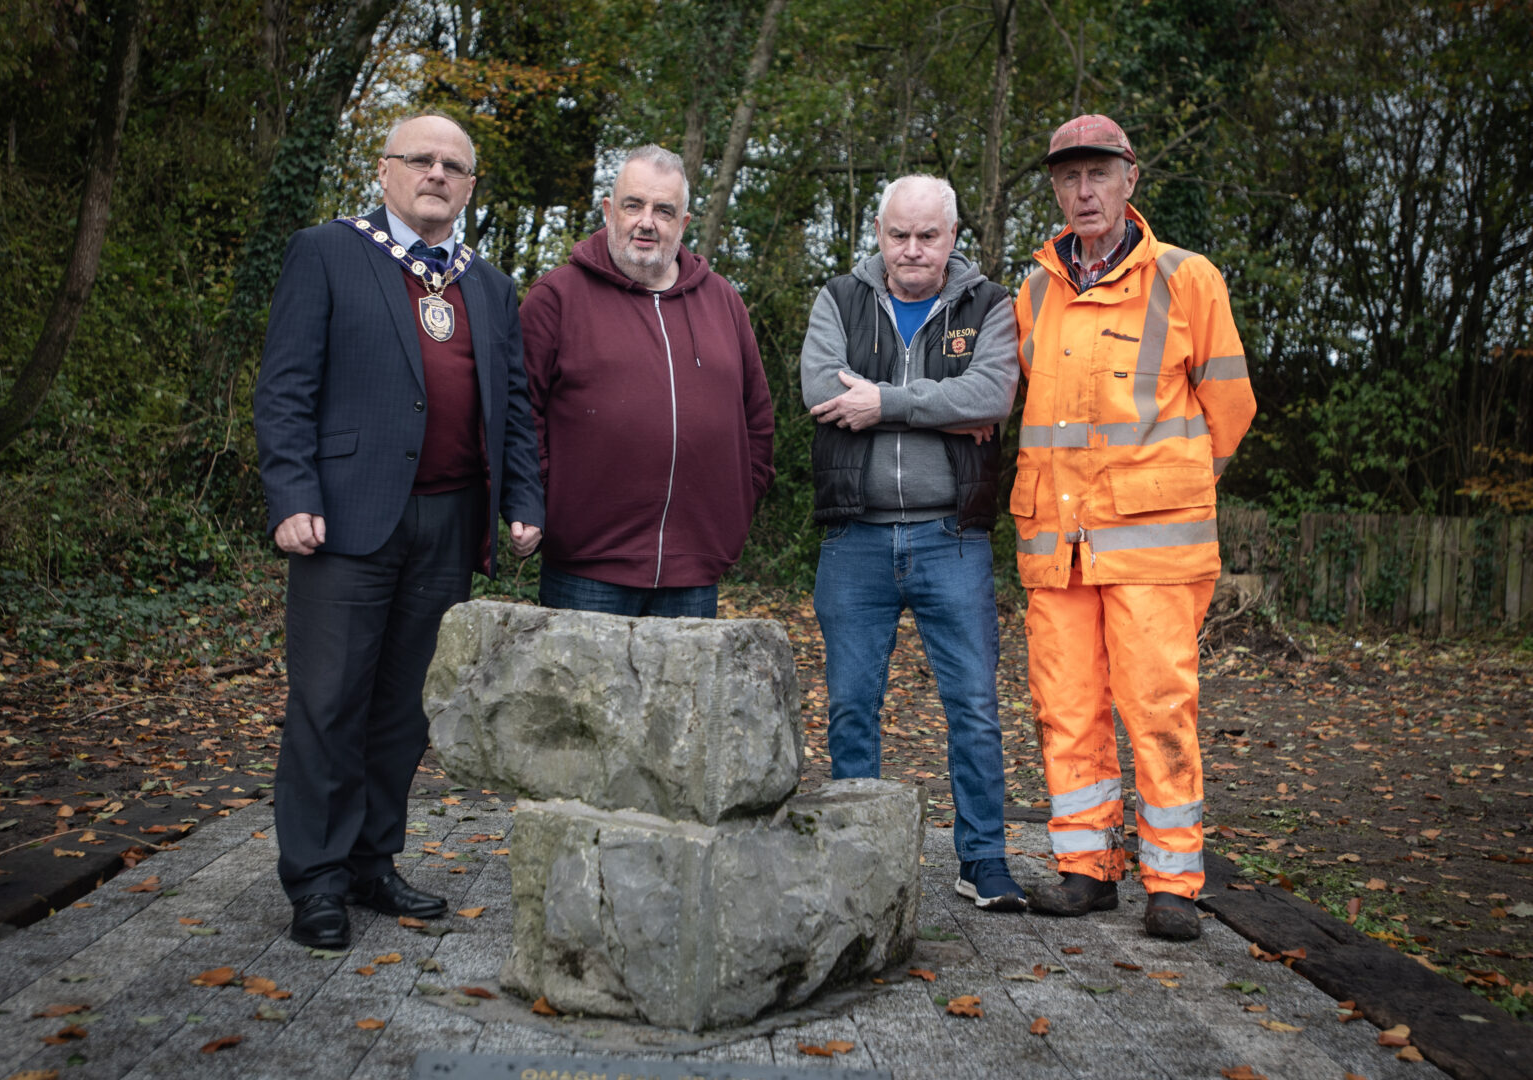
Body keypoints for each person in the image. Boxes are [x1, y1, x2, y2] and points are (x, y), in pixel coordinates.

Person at [254, 114, 544, 949]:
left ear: (469, 188)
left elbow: (513, 408)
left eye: (455, 166)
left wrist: (523, 498)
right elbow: (285, 387)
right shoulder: (327, 252)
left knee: (402, 709)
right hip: (345, 518)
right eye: (421, 159)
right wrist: (290, 495)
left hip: (448, 521)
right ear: (385, 170)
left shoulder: (485, 284)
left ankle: (371, 862)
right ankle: (314, 880)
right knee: (327, 701)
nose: (437, 174)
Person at [1011, 114, 1256, 939]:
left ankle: (1173, 884)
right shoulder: (1035, 287)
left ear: (1129, 181)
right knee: (1067, 707)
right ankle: (1085, 871)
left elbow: (1229, 410)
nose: (1083, 191)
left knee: (1155, 706)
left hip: (1153, 548)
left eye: (1098, 176)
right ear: (1055, 187)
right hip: (1057, 544)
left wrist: (1168, 489)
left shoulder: (1188, 279)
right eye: (1068, 177)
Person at [800, 174, 1024, 911]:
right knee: (851, 706)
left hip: (949, 537)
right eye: (899, 234)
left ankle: (982, 859)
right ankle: (856, 860)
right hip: (854, 539)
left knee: (974, 707)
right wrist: (937, 407)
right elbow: (819, 392)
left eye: (928, 235)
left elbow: (991, 395)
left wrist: (883, 401)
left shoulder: (989, 305)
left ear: (952, 237)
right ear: (878, 233)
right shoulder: (839, 298)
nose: (912, 250)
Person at [520, 145, 774, 618]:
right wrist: (549, 506)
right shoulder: (557, 297)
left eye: (664, 210)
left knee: (687, 697)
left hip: (694, 573)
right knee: (584, 697)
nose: (646, 221)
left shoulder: (723, 303)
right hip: (586, 570)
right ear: (609, 211)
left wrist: (736, 505)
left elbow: (756, 418)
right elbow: (519, 414)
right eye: (634, 205)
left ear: (684, 223)